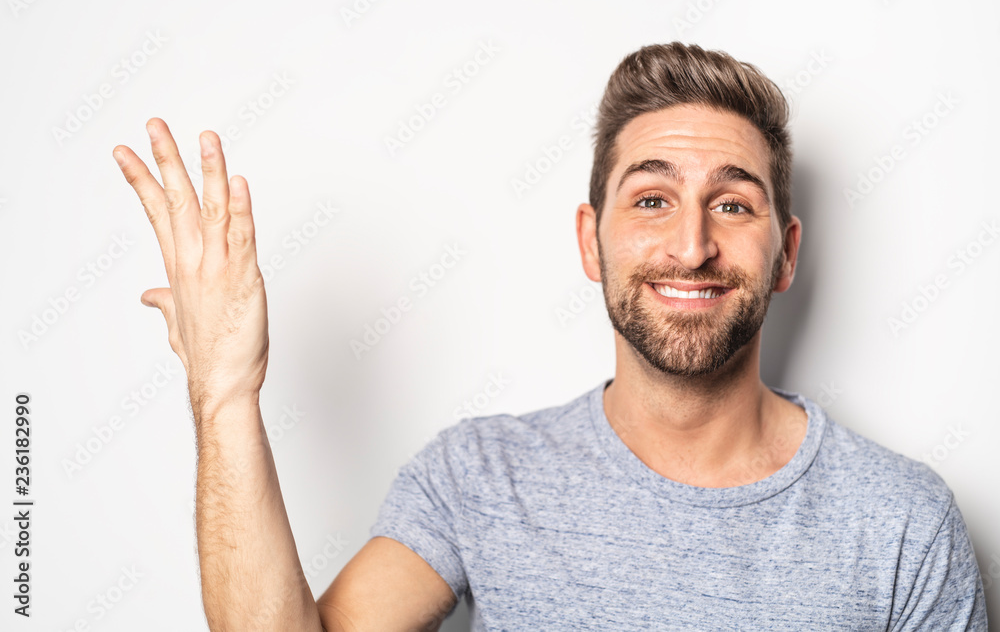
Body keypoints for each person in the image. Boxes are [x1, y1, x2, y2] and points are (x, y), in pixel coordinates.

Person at [113, 41, 988, 630]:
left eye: (732, 204)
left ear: (786, 252)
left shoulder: (902, 523)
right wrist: (224, 396)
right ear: (589, 241)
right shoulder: (479, 477)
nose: (691, 245)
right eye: (652, 199)